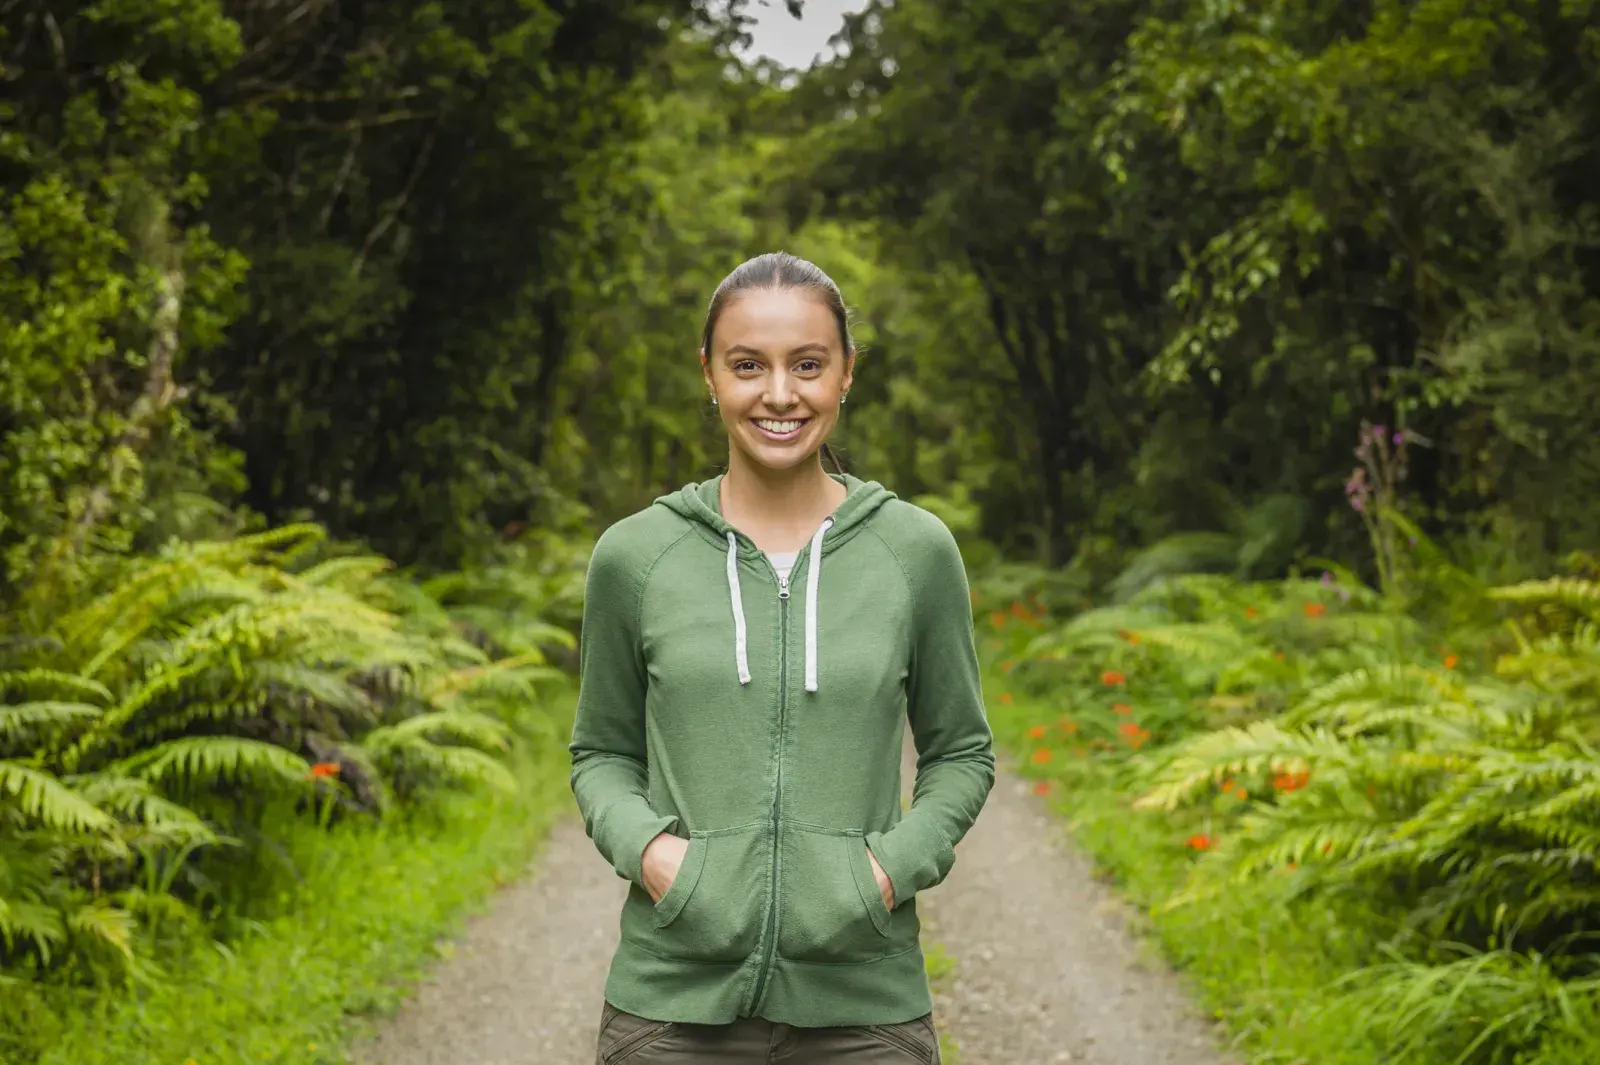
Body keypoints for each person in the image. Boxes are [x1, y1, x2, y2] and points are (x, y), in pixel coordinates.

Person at [569, 251, 995, 1063]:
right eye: (747, 365)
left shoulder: (916, 551)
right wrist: (660, 859)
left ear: (846, 374)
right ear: (709, 375)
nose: (778, 394)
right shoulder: (635, 556)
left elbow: (962, 751)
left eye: (807, 364)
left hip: (865, 1005)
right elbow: (601, 752)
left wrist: (883, 872)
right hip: (670, 1007)